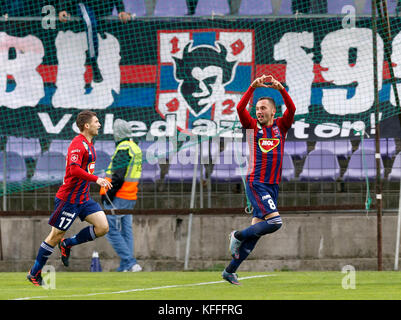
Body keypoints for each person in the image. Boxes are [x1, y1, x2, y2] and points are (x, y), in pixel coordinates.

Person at [222, 74, 296, 285]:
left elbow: (292, 110)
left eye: (264, 108)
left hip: (272, 186)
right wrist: (252, 87)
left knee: (254, 236)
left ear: (273, 111)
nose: (259, 111)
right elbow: (239, 109)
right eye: (257, 108)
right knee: (275, 222)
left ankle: (229, 271)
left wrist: (281, 88)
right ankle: (237, 235)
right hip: (256, 182)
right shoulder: (252, 128)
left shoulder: (281, 126)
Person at [27, 110, 113, 286]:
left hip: (83, 199)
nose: (99, 124)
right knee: (54, 236)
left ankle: (68, 244)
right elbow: (73, 169)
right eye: (96, 122)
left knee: (103, 227)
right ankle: (35, 273)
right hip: (69, 200)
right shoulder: (77, 144)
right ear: (86, 126)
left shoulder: (90, 145)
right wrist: (97, 179)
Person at [99, 119, 143, 272]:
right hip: (130, 195)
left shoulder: (123, 148)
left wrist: (107, 194)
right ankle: (126, 265)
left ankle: (130, 262)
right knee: (126, 230)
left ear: (117, 133)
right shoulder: (135, 148)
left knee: (108, 229)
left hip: (118, 197)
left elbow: (118, 176)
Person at [58, 0, 131, 83]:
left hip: (103, 7)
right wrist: (63, 9)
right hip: (85, 5)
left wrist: (121, 10)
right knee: (90, 24)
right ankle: (94, 63)